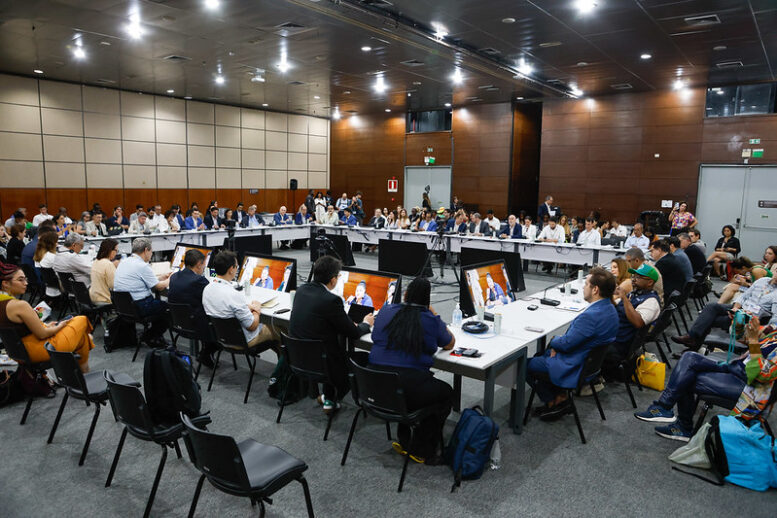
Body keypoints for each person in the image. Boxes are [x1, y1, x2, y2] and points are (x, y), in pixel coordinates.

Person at [635, 315, 775, 441]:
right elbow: (743, 338)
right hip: (738, 368)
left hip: (752, 388)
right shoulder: (773, 331)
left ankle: (682, 426)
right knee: (690, 357)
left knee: (686, 377)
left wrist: (753, 340)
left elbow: (762, 375)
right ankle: (663, 407)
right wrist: (739, 321)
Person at [368, 277, 455, 463]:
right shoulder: (429, 320)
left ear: (405, 295)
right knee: (445, 394)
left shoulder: (385, 311)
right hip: (406, 389)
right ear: (427, 300)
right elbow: (450, 343)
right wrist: (434, 314)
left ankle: (405, 434)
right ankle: (422, 448)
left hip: (375, 386)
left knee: (415, 385)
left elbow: (375, 336)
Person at [526, 267, 619, 420]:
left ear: (595, 289)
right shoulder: (610, 309)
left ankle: (553, 402)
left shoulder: (591, 316)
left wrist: (554, 341)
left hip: (574, 365)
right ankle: (560, 396)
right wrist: (558, 346)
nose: (583, 287)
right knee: (542, 354)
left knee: (525, 365)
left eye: (586, 284)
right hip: (589, 364)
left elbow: (566, 344)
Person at [289, 256, 374, 413]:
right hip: (323, 364)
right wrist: (366, 323)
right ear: (333, 280)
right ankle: (331, 398)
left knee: (330, 348)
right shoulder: (331, 300)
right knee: (361, 359)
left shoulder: (301, 291)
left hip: (298, 358)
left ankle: (327, 397)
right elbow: (354, 333)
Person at [0, 264, 95, 371]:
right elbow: (43, 334)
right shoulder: (19, 305)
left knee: (82, 338)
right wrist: (60, 326)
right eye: (20, 280)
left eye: (25, 279)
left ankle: (84, 371)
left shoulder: (4, 303)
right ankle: (83, 371)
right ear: (5, 283)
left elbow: (23, 330)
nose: (26, 283)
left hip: (19, 352)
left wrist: (46, 326)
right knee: (81, 320)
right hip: (40, 349)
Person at [671, 275, 777, 351]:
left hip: (749, 319)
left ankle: (692, 342)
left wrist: (759, 326)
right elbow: (744, 296)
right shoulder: (762, 280)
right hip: (740, 308)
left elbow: (773, 318)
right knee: (711, 307)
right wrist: (735, 308)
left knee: (711, 319)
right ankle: (692, 339)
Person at [203, 250, 278, 351]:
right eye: (237, 267)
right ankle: (284, 361)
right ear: (231, 269)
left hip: (221, 339)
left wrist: (246, 307)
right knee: (279, 329)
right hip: (243, 341)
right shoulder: (234, 294)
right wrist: (257, 310)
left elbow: (226, 308)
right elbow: (252, 326)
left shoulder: (207, 289)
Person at [601, 264, 662, 384]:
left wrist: (624, 298)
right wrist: (609, 294)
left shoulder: (651, 301)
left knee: (581, 342)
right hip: (611, 336)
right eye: (633, 276)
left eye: (638, 277)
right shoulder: (634, 294)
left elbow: (638, 322)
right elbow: (617, 308)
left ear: (650, 282)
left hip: (619, 345)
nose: (633, 279)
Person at [113, 237, 171, 346]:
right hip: (141, 306)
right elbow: (159, 287)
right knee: (169, 308)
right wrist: (171, 279)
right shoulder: (142, 266)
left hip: (126, 307)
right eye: (151, 251)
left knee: (159, 305)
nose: (151, 254)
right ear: (146, 250)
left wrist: (160, 278)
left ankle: (152, 337)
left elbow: (140, 281)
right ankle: (150, 336)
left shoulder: (124, 262)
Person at [168, 249, 218, 367]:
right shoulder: (199, 281)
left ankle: (205, 351)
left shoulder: (174, 277)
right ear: (199, 264)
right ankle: (206, 352)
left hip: (178, 323)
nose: (204, 267)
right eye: (204, 264)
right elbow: (213, 297)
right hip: (196, 326)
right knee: (221, 323)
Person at [649, 239, 687, 305]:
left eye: (652, 251)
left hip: (668, 295)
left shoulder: (664, 262)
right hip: (676, 292)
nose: (650, 254)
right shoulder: (670, 257)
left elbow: (650, 277)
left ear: (659, 250)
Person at [89, 238, 119, 305]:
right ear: (110, 250)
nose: (116, 253)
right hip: (103, 300)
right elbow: (114, 285)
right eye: (116, 250)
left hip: (92, 298)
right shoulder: (108, 264)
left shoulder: (96, 261)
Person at [34, 231, 61, 297]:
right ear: (52, 244)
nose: (57, 244)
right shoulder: (52, 257)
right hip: (57, 285)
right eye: (56, 242)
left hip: (47, 284)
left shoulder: (39, 254)